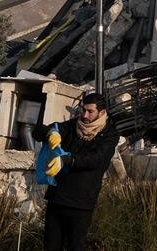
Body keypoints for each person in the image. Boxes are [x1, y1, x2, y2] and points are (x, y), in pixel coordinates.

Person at [32, 92, 121, 251]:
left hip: (81, 204)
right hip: (57, 199)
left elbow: (95, 159)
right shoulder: (73, 125)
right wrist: (51, 132)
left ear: (101, 112)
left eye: (90, 111)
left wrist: (66, 160)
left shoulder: (110, 134)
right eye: (83, 110)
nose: (85, 115)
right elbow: (37, 132)